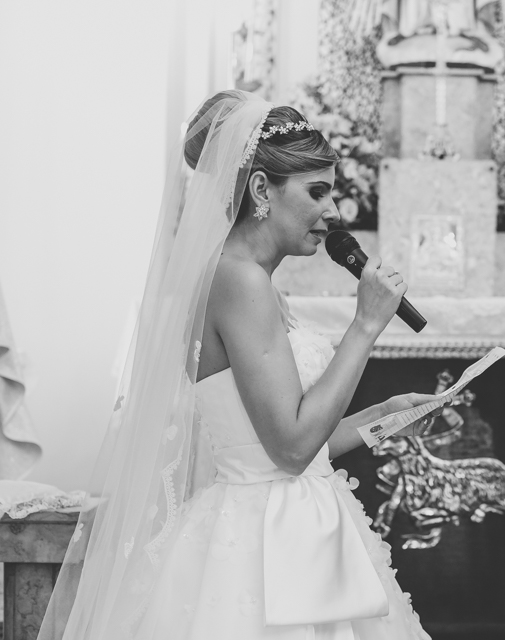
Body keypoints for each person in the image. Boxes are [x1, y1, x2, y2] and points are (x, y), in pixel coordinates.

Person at [39, 90, 443, 639]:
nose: (333, 212)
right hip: (265, 549)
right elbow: (292, 449)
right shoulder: (239, 280)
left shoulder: (250, 279)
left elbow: (272, 442)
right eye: (317, 192)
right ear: (261, 189)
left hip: (297, 528)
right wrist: (365, 326)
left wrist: (385, 417)